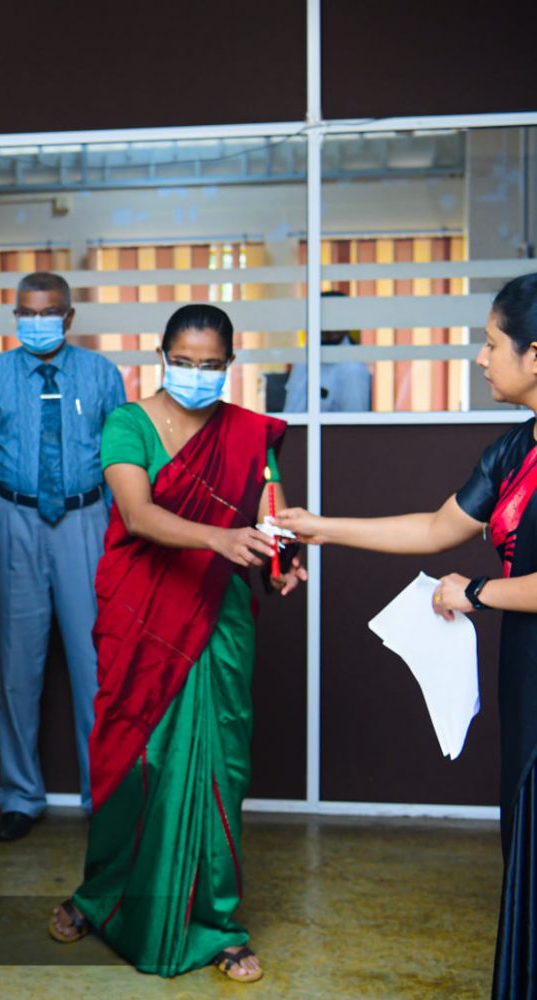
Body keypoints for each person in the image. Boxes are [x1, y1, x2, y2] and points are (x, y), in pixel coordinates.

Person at [277, 273, 537, 998]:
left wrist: (477, 592)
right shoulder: (515, 449)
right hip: (526, 671)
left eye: (491, 344)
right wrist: (321, 528)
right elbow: (435, 528)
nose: (480, 358)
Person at [47, 303, 304, 985]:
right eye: (184, 362)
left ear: (230, 363)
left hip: (217, 618)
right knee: (134, 761)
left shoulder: (248, 432)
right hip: (141, 616)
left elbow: (270, 514)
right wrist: (220, 538)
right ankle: (101, 896)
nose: (196, 373)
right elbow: (137, 514)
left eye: (210, 364)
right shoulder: (127, 423)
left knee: (219, 768)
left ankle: (215, 922)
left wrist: (283, 563)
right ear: (162, 357)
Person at [0, 271, 126, 839]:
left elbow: (121, 458)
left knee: (95, 666)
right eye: (27, 313)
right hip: (16, 521)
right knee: (16, 668)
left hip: (85, 521)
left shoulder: (102, 374)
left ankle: (102, 795)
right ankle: (20, 796)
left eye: (49, 312)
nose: (38, 322)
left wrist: (116, 530)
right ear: (16, 317)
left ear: (68, 316)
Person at [282, 290, 372, 412]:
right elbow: (292, 408)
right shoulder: (304, 359)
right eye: (322, 320)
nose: (327, 330)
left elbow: (355, 421)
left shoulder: (352, 369)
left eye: (335, 321)